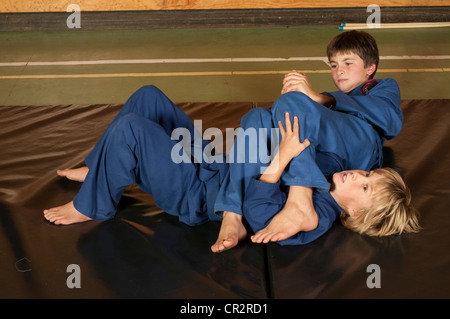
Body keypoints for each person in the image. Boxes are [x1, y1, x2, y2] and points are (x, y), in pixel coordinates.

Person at [211, 30, 404, 250]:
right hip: (332, 149)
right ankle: (232, 212)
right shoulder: (323, 100)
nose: (339, 71)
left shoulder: (381, 88)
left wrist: (315, 99)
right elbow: (281, 119)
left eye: (348, 63)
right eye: (333, 65)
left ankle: (300, 197)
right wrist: (290, 108)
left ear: (370, 68)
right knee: (258, 117)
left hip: (360, 145)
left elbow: (391, 122)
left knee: (294, 101)